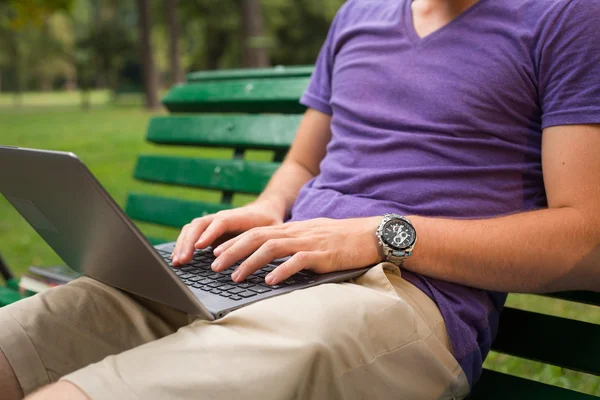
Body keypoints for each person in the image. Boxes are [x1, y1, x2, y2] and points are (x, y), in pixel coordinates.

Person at [2, 0, 600, 399]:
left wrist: (376, 234)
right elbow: (301, 163)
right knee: (33, 335)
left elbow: (587, 241)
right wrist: (268, 207)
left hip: (404, 290)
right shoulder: (359, 14)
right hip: (270, 263)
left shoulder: (568, 17)